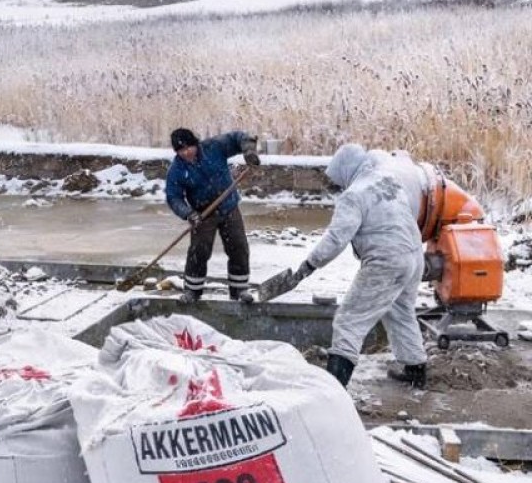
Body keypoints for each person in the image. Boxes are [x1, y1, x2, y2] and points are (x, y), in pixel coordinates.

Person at [288, 143, 428, 388]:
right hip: (414, 255)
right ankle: (416, 370)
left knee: (349, 321)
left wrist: (310, 264)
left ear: (346, 169)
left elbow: (336, 238)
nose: (338, 184)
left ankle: (335, 388)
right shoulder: (388, 181)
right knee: (401, 311)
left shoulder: (353, 195)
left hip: (386, 261)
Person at [165, 128, 261, 303]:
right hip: (202, 214)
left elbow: (238, 137)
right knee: (199, 252)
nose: (186, 152)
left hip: (228, 206)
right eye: (181, 150)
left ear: (195, 143)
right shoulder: (177, 169)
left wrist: (248, 150)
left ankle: (239, 291)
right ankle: (192, 292)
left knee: (238, 247)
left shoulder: (213, 147)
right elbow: (173, 197)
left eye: (189, 147)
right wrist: (188, 214)